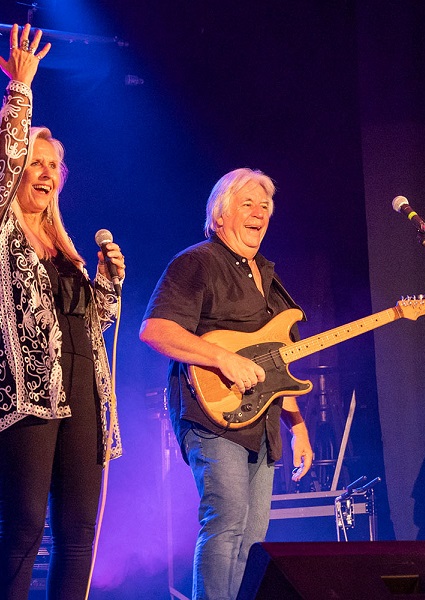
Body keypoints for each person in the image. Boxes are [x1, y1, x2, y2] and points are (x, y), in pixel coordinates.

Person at [139, 168, 313, 600]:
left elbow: (279, 361)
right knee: (227, 520)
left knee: (253, 539)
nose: (259, 214)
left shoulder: (270, 280)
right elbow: (155, 329)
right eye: (247, 204)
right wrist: (223, 358)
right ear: (219, 216)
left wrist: (299, 427)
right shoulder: (197, 262)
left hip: (263, 423)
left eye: (265, 207)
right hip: (211, 416)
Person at [0, 24, 126, 600]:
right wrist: (20, 91)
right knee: (26, 527)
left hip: (84, 393)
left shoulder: (67, 251)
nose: (46, 172)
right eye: (35, 162)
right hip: (29, 393)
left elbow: (94, 323)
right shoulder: (5, 231)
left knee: (80, 533)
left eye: (54, 165)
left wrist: (107, 282)